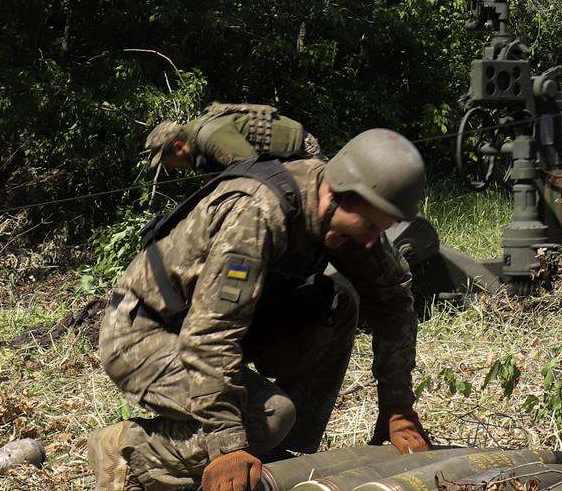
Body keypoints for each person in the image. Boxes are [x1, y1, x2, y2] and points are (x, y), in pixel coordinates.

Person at [87, 128, 435, 491]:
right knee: (268, 416)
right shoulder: (257, 213)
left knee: (337, 305)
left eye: (379, 230)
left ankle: (279, 464)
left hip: (216, 323)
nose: (368, 241)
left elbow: (393, 299)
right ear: (337, 193)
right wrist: (227, 444)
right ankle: (129, 452)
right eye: (367, 226)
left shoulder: (349, 217)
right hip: (144, 330)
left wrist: (398, 406)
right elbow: (211, 333)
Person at [143, 102, 321, 174]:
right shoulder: (196, 149)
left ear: (178, 147)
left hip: (300, 148)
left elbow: (253, 171)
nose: (170, 168)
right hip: (277, 161)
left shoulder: (208, 138)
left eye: (167, 162)